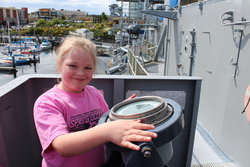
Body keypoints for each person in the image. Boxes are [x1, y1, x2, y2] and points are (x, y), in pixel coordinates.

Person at [33, 36, 157, 167]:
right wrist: (106, 132)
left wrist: (122, 112)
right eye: (72, 65)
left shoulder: (94, 93)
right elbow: (62, 145)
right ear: (60, 65)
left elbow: (106, 121)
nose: (80, 73)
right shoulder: (47, 103)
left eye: (88, 68)